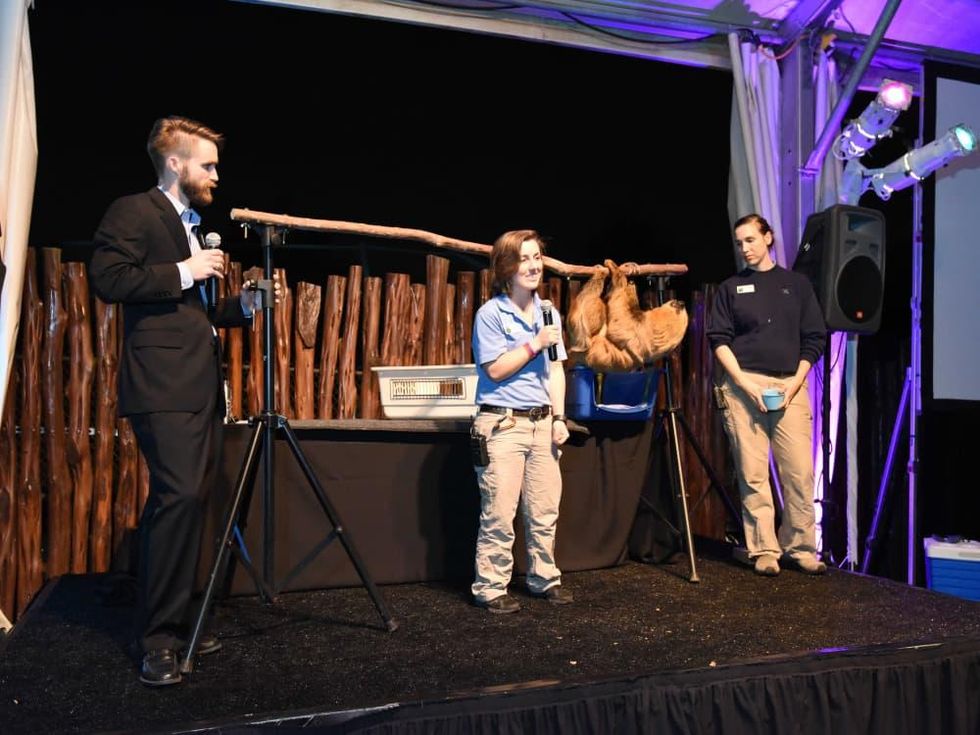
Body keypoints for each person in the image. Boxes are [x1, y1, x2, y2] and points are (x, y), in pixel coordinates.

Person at [89, 116, 268, 686]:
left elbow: (197, 313)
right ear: (175, 163)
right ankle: (158, 640)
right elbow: (108, 278)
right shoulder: (134, 211)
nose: (216, 174)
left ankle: (175, 618)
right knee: (179, 495)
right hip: (162, 385)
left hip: (197, 385)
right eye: (207, 165)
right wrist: (184, 270)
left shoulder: (192, 226)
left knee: (187, 504)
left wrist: (240, 308)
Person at [707, 213, 828, 577]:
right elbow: (719, 340)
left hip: (789, 385)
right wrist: (746, 385)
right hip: (744, 387)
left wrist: (795, 383)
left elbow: (815, 337)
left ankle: (801, 547)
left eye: (751, 240)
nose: (744, 248)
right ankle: (763, 549)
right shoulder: (731, 288)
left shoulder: (797, 284)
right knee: (753, 472)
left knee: (800, 472)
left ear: (768, 238)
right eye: (739, 242)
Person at [469, 229, 572, 614]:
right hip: (503, 425)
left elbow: (556, 370)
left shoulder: (549, 313)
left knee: (544, 510)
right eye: (523, 259)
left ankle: (544, 578)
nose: (532, 266)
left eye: (536, 258)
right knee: (499, 512)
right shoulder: (491, 314)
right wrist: (534, 344)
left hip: (542, 423)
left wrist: (559, 417)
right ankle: (490, 586)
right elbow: (495, 370)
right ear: (506, 268)